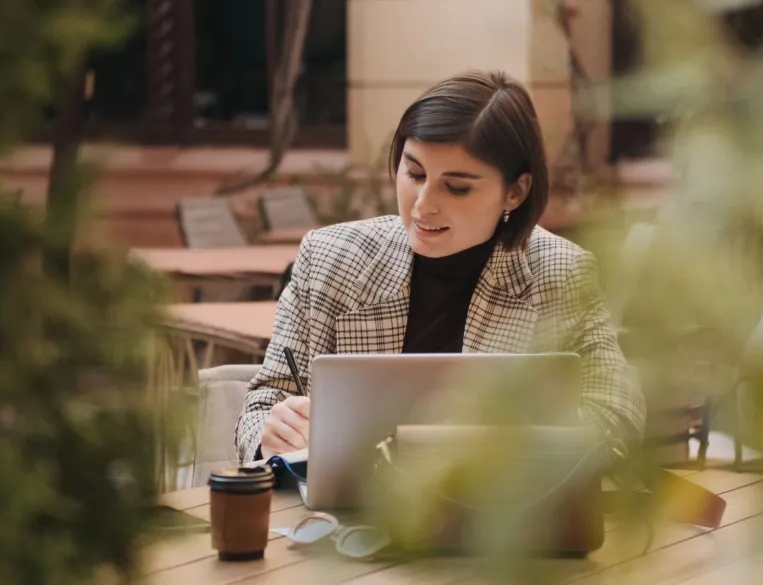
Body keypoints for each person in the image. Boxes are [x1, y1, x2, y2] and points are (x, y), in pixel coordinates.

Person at [234, 70, 645, 463]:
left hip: (496, 519)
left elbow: (617, 414)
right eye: (413, 172)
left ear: (515, 192)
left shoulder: (559, 273)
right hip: (340, 518)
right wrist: (270, 431)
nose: (423, 203)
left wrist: (528, 446)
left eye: (457, 187)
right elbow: (261, 405)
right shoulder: (331, 258)